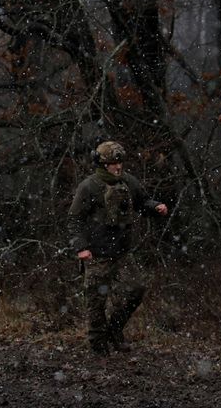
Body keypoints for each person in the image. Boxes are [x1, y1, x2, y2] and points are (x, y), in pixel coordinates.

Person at [67, 140, 168, 352]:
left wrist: (156, 207)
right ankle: (98, 344)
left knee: (136, 290)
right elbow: (74, 220)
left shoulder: (128, 182)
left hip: (122, 251)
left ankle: (114, 329)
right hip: (97, 254)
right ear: (103, 165)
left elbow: (142, 202)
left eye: (120, 162)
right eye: (113, 163)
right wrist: (81, 248)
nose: (118, 166)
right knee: (96, 302)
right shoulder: (89, 187)